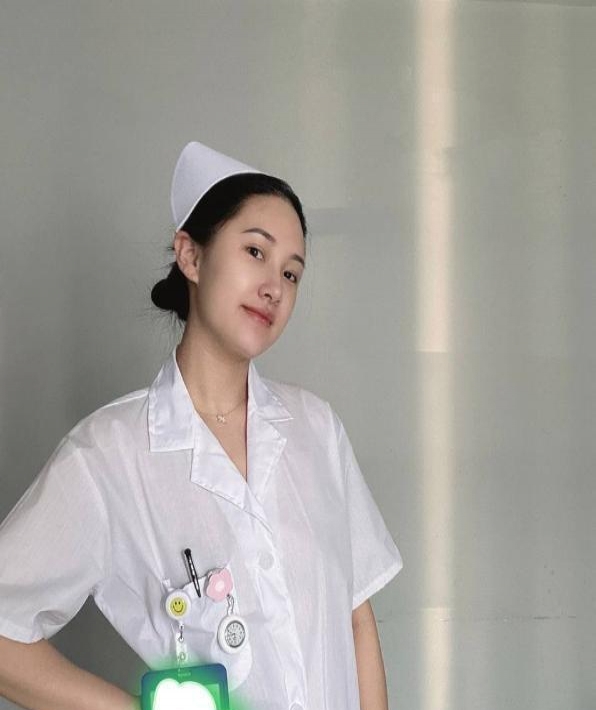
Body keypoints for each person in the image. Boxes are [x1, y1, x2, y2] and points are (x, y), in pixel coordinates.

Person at [0, 141, 403, 710]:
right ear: (190, 256)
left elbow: (356, 617)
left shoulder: (317, 429)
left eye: (292, 273)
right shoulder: (108, 456)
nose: (275, 287)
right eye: (256, 252)